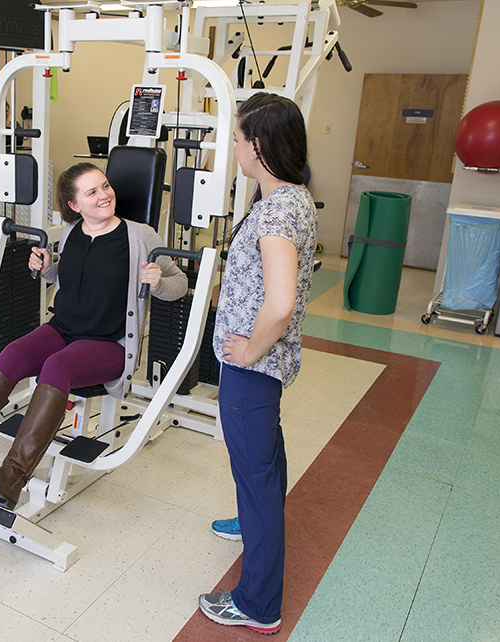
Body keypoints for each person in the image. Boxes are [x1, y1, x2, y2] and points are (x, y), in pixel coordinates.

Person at [0, 162, 188, 508]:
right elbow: (66, 280)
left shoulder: (140, 236)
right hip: (63, 328)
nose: (105, 195)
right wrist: (47, 268)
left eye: (105, 186)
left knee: (57, 366)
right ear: (74, 205)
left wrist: (158, 282)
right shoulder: (72, 232)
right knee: (13, 354)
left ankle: (12, 476)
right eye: (92, 192)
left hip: (108, 343)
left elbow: (180, 284)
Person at [197, 93, 317, 635]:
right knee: (265, 460)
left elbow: (281, 302)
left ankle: (258, 604)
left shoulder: (275, 211)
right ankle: (252, 522)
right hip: (263, 365)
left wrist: (247, 349)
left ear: (258, 146)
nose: (236, 147)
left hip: (254, 366)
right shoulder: (291, 198)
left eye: (240, 138)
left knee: (257, 477)